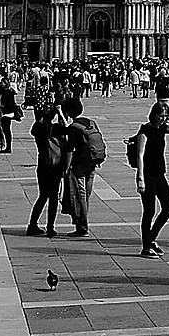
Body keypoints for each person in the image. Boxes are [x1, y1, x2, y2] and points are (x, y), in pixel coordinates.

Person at [136, 97, 169, 256]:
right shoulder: (144, 131)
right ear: (153, 114)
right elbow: (140, 155)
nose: (163, 118)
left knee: (168, 207)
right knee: (149, 211)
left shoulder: (162, 128)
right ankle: (146, 247)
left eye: (165, 116)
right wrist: (140, 179)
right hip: (147, 175)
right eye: (161, 115)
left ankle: (151, 237)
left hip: (160, 174)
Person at [26, 98, 69, 235]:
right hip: (55, 166)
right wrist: (60, 113)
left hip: (42, 165)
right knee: (53, 197)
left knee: (43, 196)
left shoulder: (38, 128)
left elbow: (33, 130)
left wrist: (43, 115)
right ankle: (50, 227)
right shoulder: (56, 128)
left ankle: (32, 224)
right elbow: (68, 129)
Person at [60, 96, 101, 237]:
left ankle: (82, 227)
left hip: (79, 165)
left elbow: (70, 150)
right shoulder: (91, 123)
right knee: (86, 195)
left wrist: (66, 169)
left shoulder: (73, 128)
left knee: (79, 196)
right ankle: (82, 223)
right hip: (93, 163)